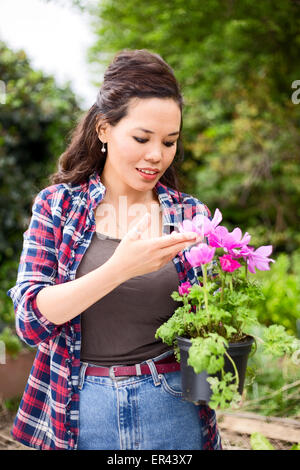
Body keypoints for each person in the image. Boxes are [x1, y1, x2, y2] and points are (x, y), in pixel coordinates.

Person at [7, 49, 222, 450]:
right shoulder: (58, 207)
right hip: (80, 408)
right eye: (141, 138)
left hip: (174, 406)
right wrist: (119, 268)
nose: (157, 154)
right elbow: (29, 322)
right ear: (104, 128)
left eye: (170, 141)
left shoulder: (190, 213)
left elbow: (212, 320)